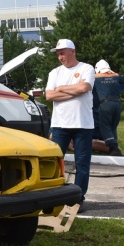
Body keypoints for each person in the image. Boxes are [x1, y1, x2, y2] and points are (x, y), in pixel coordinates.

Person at [44, 39, 95, 207]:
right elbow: (49, 96)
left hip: (83, 124)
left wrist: (60, 88)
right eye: (58, 54)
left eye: (63, 53)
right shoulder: (54, 73)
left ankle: (77, 199)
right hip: (60, 125)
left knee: (82, 164)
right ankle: (54, 196)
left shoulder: (86, 68)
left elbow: (84, 88)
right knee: (55, 162)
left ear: (72, 51)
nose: (60, 57)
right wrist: (72, 91)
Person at [93, 59, 124, 156]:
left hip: (105, 104)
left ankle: (113, 148)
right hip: (117, 103)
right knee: (113, 126)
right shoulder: (116, 76)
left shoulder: (95, 78)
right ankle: (114, 145)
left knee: (105, 126)